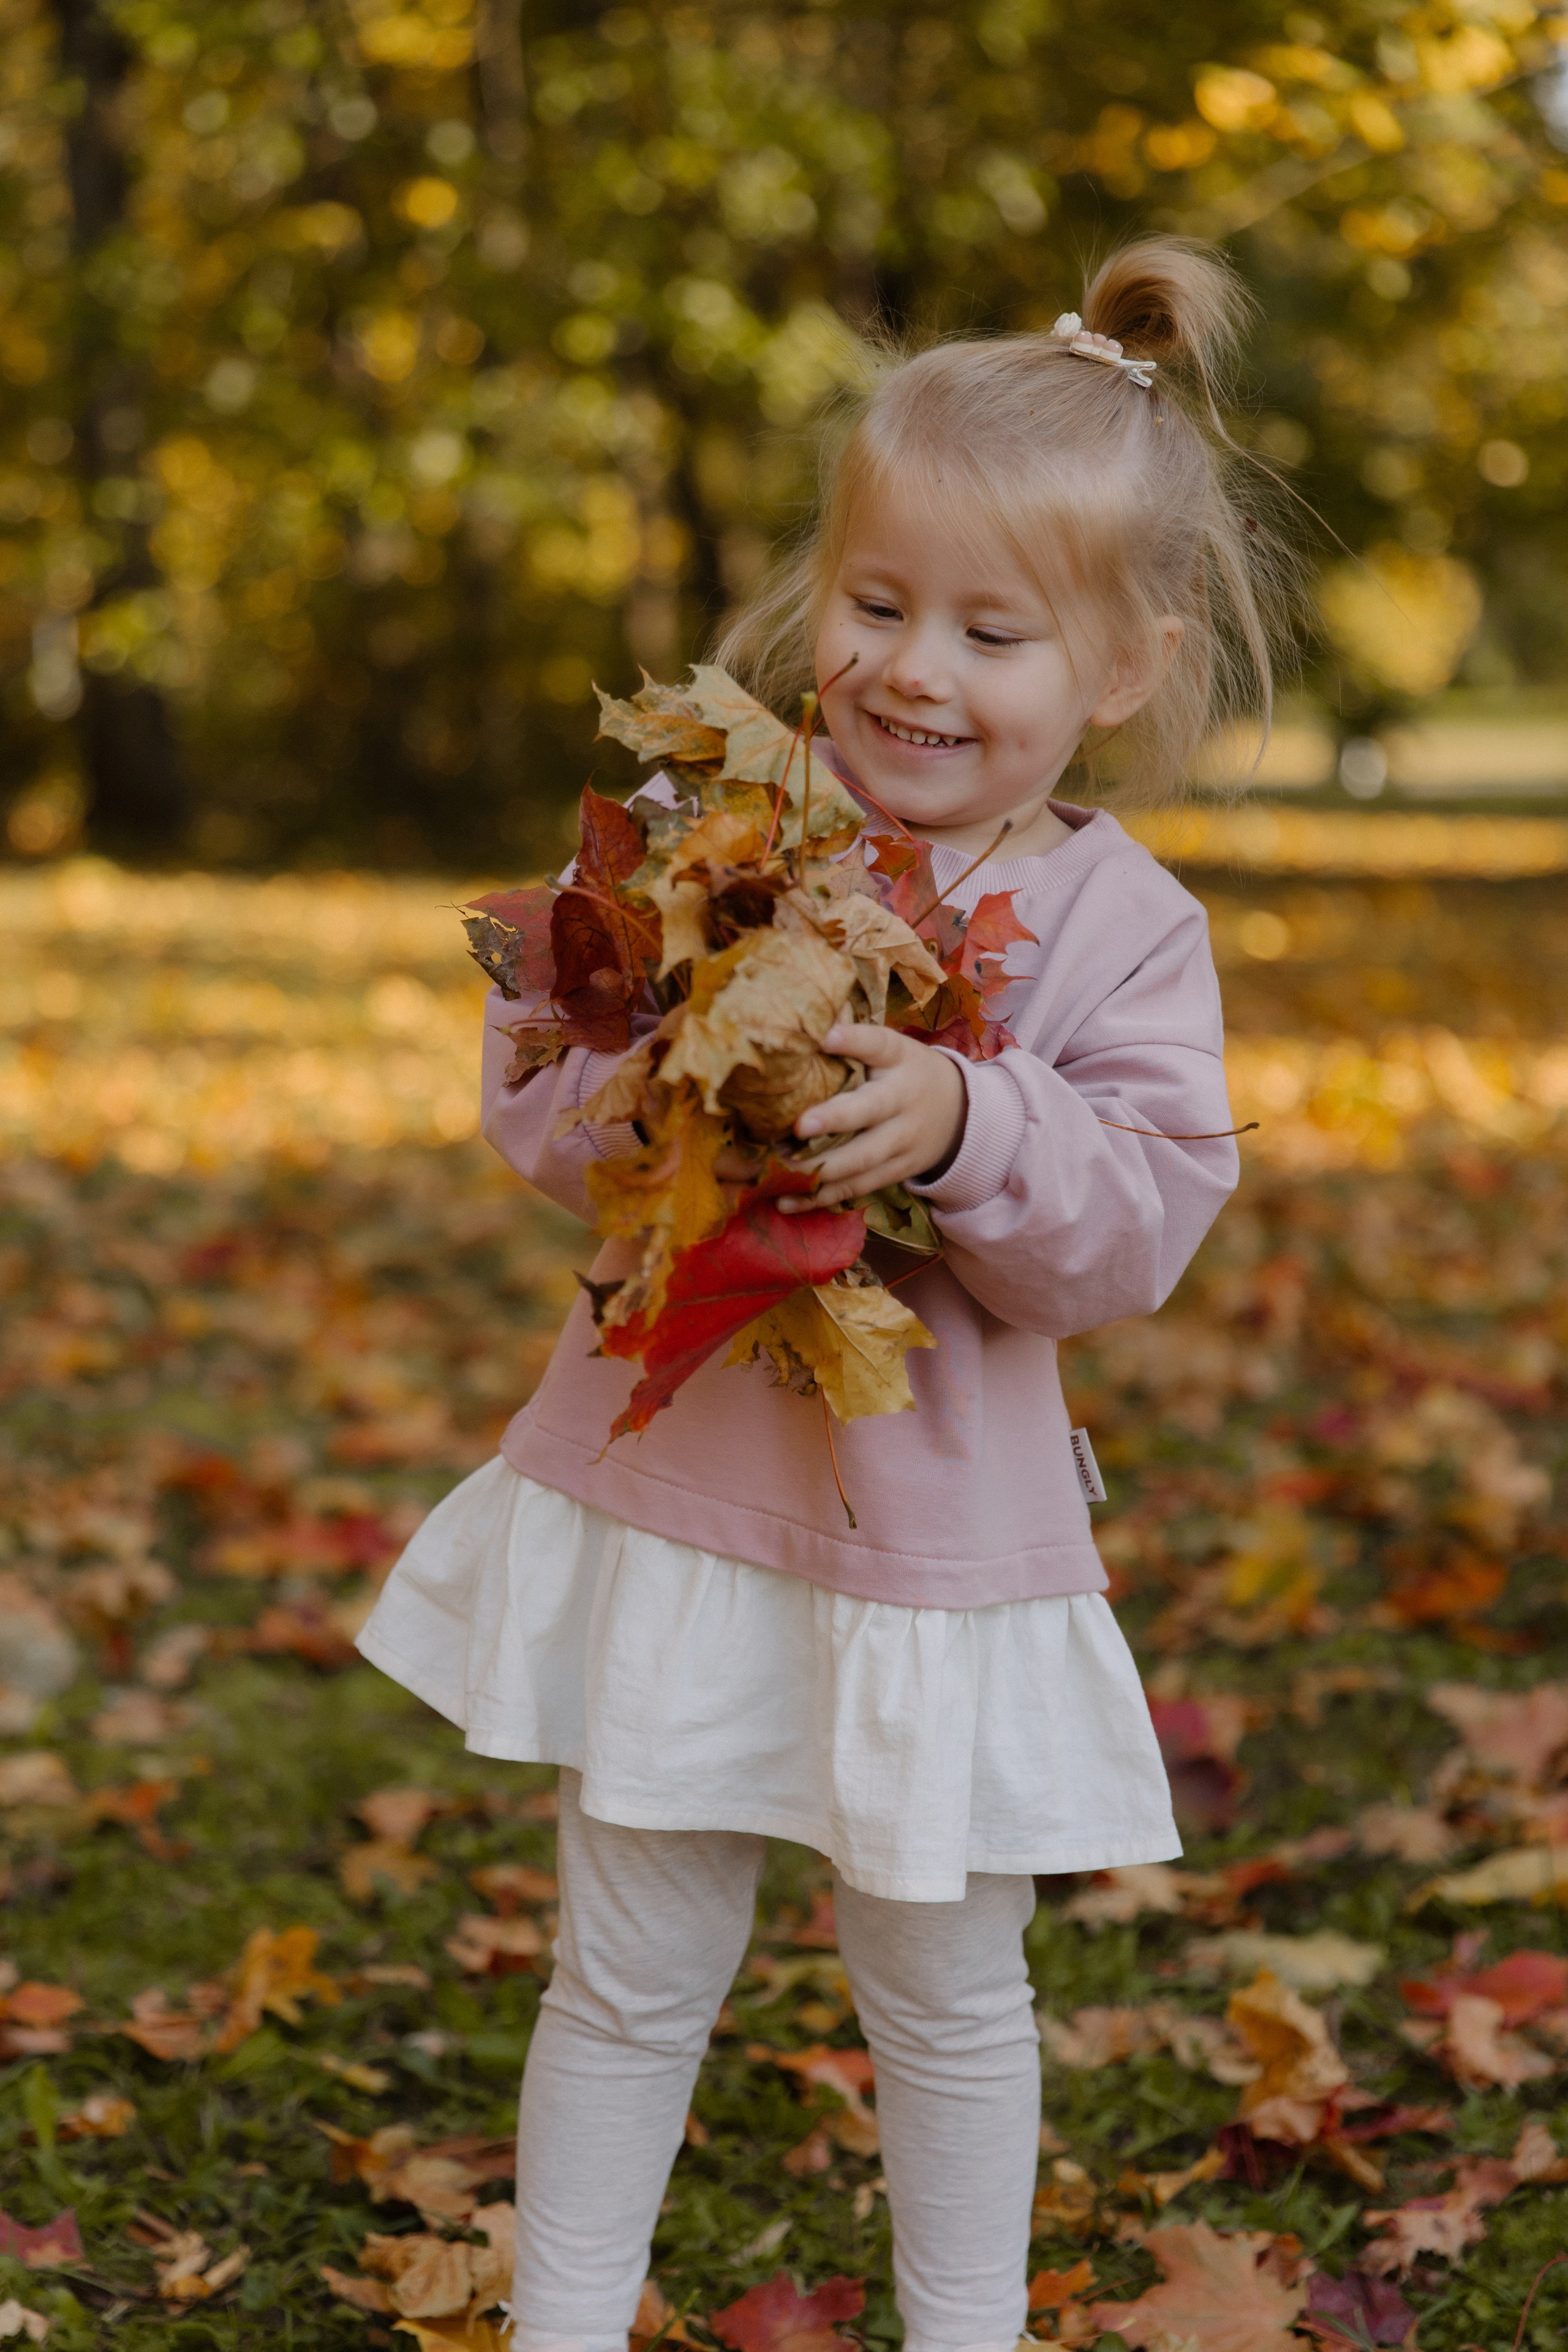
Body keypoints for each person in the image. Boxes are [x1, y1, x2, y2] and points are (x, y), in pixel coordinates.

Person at [359, 236, 1291, 2352]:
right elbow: (542, 1087)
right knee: (626, 1966)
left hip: (936, 1552)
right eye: (878, 606)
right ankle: (563, 2324)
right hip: (680, 1498)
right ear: (820, 594)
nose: (914, 672)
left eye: (993, 630)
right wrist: (678, 1087)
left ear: (1122, 670)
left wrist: (970, 1128)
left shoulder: (1121, 923)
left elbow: (1140, 1220)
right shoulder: (725, 822)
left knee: (950, 1988)